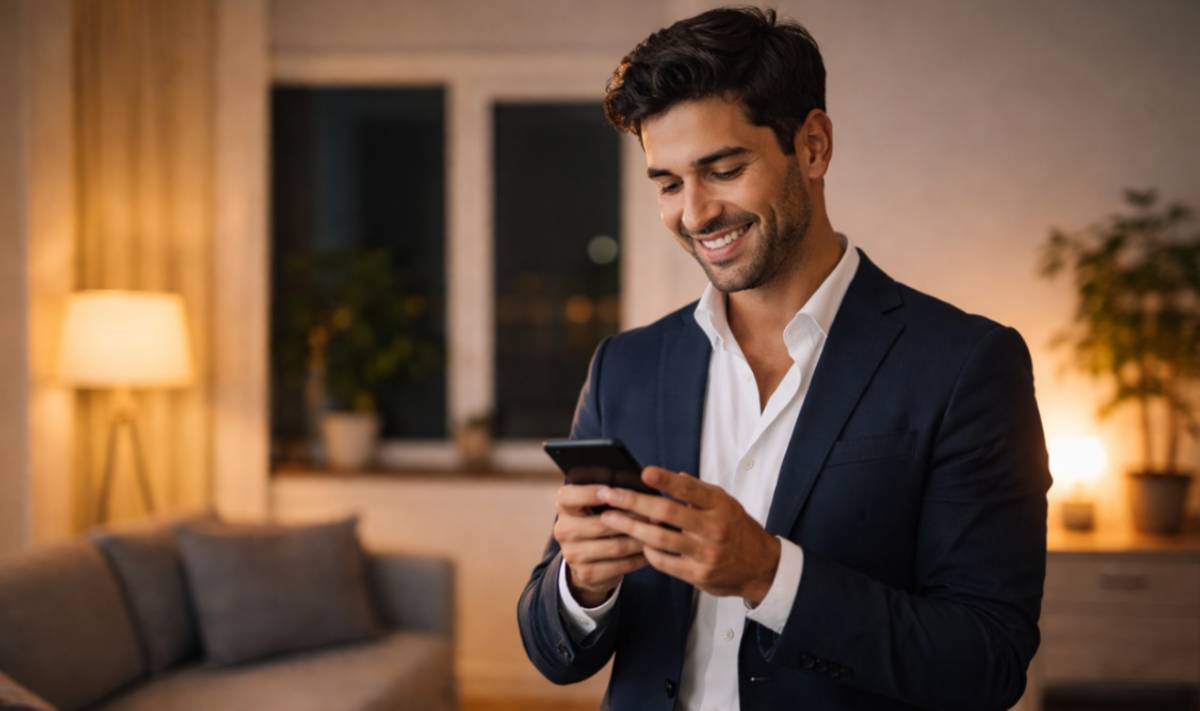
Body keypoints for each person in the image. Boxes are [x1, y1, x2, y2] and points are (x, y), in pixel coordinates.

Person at [517, 7, 1051, 710]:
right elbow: (552, 650)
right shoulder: (626, 366)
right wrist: (583, 584)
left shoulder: (967, 365)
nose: (696, 212)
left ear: (814, 146)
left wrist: (769, 574)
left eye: (724, 169)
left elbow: (987, 660)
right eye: (669, 183)